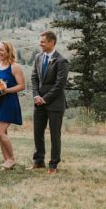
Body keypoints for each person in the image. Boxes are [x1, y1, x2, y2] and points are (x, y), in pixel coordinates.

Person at [29, 31, 69, 175]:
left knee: (54, 135)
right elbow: (34, 79)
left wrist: (44, 98)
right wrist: (36, 96)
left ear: (52, 42)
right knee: (37, 133)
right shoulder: (38, 57)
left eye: (43, 42)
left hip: (55, 104)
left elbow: (59, 85)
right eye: (40, 41)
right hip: (38, 102)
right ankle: (38, 161)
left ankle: (53, 164)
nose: (40, 44)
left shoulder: (61, 61)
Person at [0, 41, 24, 170]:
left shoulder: (14, 67)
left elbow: (21, 86)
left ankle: (12, 159)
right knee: (1, 133)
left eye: (2, 50)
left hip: (9, 102)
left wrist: (6, 90)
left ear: (8, 51)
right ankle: (6, 160)